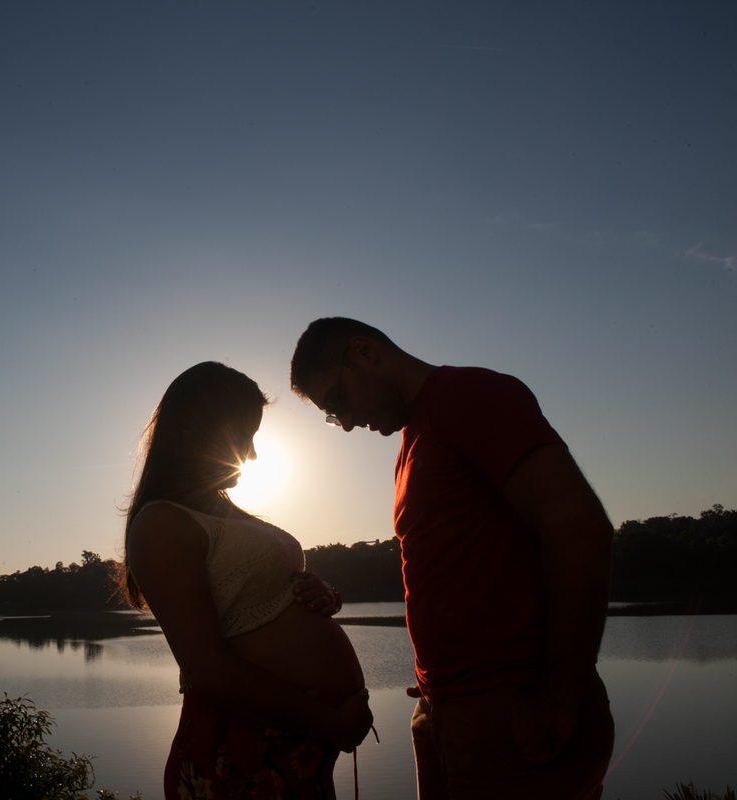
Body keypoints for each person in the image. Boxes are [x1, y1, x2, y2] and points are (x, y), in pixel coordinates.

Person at [289, 317, 615, 800]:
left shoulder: (469, 395)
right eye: (334, 416)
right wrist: (436, 685)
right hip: (446, 710)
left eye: (337, 400)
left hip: (511, 714)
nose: (349, 422)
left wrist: (559, 702)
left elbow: (579, 529)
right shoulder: (412, 442)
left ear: (365, 352)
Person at [120, 361, 374, 800]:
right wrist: (332, 723)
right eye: (245, 435)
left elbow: (260, 592)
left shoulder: (223, 512)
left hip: (297, 744)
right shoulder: (162, 523)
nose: (252, 454)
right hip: (241, 750)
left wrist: (322, 593)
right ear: (203, 429)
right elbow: (207, 670)